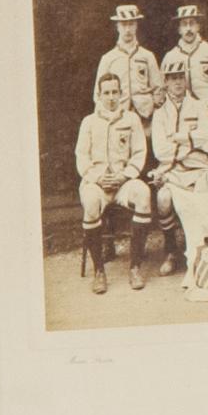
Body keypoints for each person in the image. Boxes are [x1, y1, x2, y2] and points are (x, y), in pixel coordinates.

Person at [75, 67, 154, 292]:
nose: (111, 98)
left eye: (115, 92)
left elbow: (139, 153)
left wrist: (124, 176)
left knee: (143, 194)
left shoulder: (131, 119)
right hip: (96, 183)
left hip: (123, 182)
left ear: (121, 94)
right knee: (90, 202)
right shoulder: (89, 122)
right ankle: (99, 271)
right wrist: (98, 178)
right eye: (106, 93)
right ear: (98, 95)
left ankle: (135, 267)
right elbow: (82, 156)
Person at [148, 57, 208, 275]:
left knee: (204, 196)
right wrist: (188, 144)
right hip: (171, 171)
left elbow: (207, 137)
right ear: (165, 82)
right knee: (163, 199)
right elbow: (159, 150)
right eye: (172, 79)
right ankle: (171, 251)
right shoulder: (160, 114)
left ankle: (206, 250)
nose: (177, 83)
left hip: (198, 167)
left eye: (181, 77)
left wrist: (181, 137)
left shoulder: (199, 107)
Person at [96, 4, 161, 123]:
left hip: (145, 116)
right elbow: (98, 94)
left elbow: (159, 88)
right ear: (117, 27)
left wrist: (154, 112)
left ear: (136, 26)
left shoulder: (147, 56)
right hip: (118, 115)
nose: (128, 29)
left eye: (131, 24)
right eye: (124, 24)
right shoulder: (108, 58)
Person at [170, 3, 208, 112]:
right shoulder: (171, 56)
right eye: (184, 24)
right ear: (179, 29)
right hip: (182, 112)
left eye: (192, 23)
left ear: (198, 26)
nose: (188, 28)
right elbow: (165, 87)